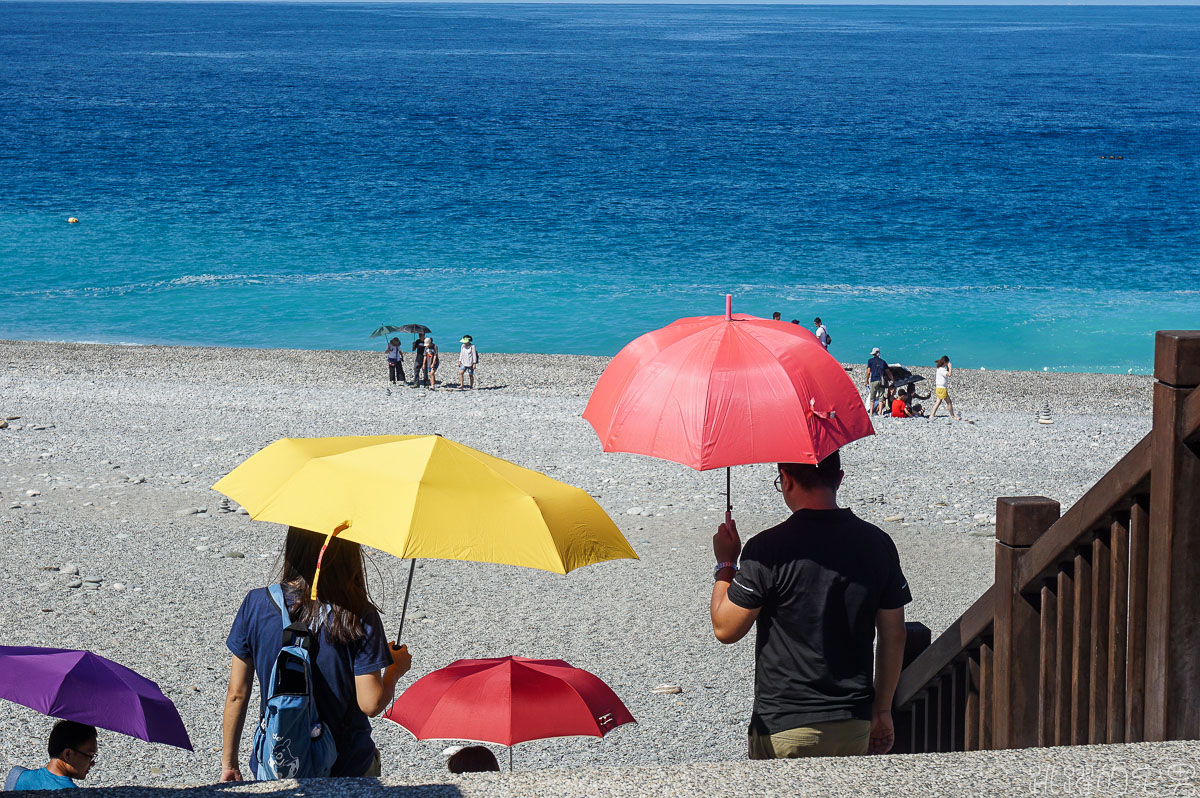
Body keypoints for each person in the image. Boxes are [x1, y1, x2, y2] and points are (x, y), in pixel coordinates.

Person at [710, 451, 910, 759]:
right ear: (839, 480)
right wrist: (882, 709)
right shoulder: (878, 543)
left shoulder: (767, 548)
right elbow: (894, 634)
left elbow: (726, 628)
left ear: (786, 479)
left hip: (784, 721)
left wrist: (726, 563)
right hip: (851, 718)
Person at [221, 526, 412, 781]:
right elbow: (371, 703)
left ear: (293, 547)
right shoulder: (357, 613)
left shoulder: (256, 604)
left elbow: (237, 694)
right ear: (349, 553)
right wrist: (394, 671)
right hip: (347, 766)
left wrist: (230, 763)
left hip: (278, 762)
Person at [6, 720, 96, 790]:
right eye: (90, 756)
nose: (93, 763)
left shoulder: (18, 776)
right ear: (68, 754)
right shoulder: (73, 793)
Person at [865, 348, 893, 416]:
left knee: (872, 397)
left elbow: (868, 372)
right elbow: (888, 372)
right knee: (881, 397)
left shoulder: (870, 361)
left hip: (873, 380)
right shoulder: (883, 362)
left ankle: (871, 413)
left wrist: (866, 381)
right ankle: (880, 412)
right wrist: (892, 379)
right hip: (881, 380)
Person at [929, 355, 957, 420]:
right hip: (942, 388)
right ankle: (952, 416)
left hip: (939, 388)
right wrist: (950, 367)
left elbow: (946, 373)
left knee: (938, 402)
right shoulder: (941, 370)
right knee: (949, 402)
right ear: (945, 362)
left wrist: (947, 367)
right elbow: (949, 374)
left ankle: (932, 415)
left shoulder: (940, 369)